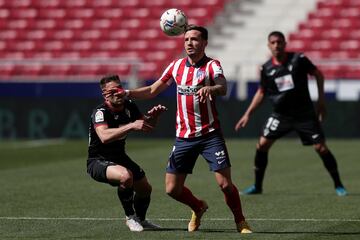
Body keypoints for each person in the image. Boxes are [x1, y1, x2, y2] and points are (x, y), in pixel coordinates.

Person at [125, 25, 252, 233]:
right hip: (184, 137)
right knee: (171, 189)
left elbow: (223, 86)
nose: (189, 43)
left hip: (210, 135)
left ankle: (240, 221)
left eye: (194, 39)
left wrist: (212, 88)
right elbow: (151, 90)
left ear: (204, 43)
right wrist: (127, 93)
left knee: (225, 185)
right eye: (186, 40)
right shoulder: (176, 67)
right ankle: (198, 206)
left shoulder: (212, 65)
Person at [235, 31, 347, 197]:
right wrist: (247, 114)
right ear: (268, 46)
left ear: (285, 44)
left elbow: (318, 74)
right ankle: (257, 186)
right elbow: (262, 92)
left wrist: (321, 101)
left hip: (304, 114)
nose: (276, 45)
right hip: (281, 115)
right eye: (273, 42)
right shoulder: (266, 68)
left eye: (279, 42)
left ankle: (339, 185)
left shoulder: (298, 59)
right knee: (262, 144)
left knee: (321, 147)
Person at [87, 74, 167, 232]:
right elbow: (104, 136)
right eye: (111, 92)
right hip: (98, 160)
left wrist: (154, 118)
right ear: (104, 95)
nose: (117, 94)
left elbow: (146, 127)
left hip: (119, 157)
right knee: (126, 176)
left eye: (118, 89)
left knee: (145, 189)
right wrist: (130, 126)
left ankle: (141, 220)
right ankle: (130, 217)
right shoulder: (100, 112)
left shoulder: (129, 105)